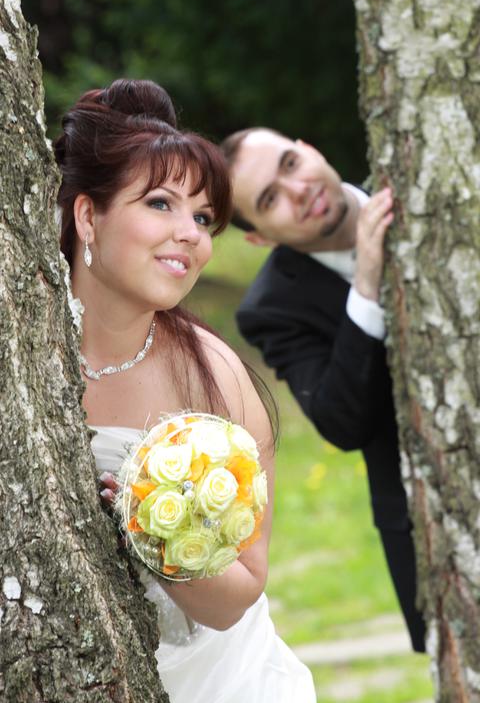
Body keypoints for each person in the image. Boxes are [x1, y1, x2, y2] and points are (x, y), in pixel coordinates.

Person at [55, 82, 316, 703]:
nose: (191, 234)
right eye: (161, 204)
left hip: (229, 682)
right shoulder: (22, 354)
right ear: (88, 216)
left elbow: (239, 594)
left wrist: (156, 538)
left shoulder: (216, 378)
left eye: (202, 218)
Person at [220, 127, 426, 653]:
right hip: (429, 518)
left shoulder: (425, 186)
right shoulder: (271, 309)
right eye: (270, 199)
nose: (298, 190)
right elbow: (342, 423)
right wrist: (367, 284)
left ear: (310, 149)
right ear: (259, 237)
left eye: (291, 163)